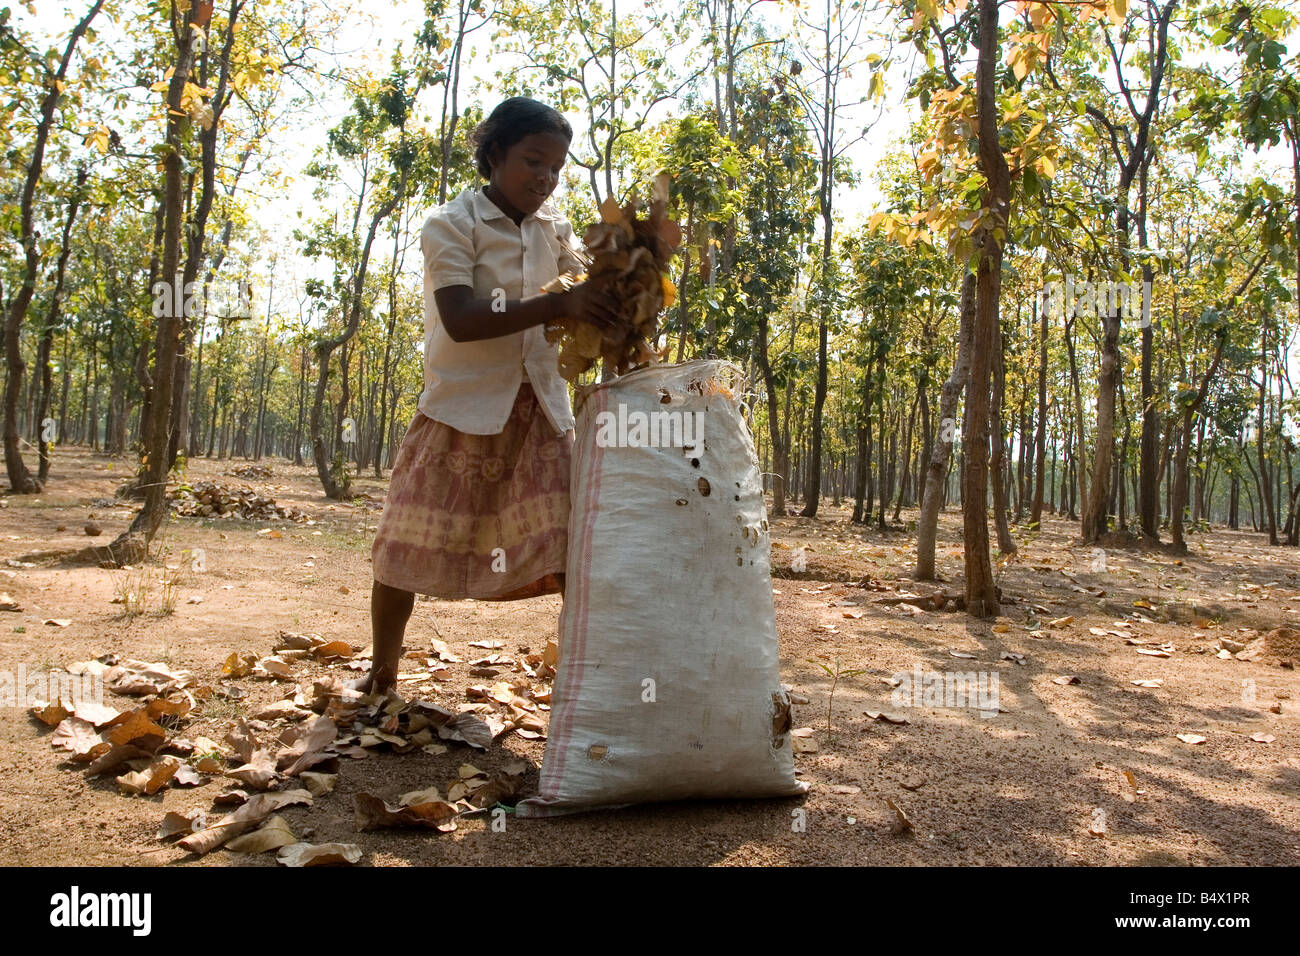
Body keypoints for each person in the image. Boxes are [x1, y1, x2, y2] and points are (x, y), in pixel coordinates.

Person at [357, 96, 620, 694]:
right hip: (463, 408)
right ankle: (382, 672)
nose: (545, 178)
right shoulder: (451, 224)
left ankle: (584, 686)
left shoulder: (556, 230)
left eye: (555, 168)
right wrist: (558, 303)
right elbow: (462, 318)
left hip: (543, 411)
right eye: (533, 160)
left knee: (572, 553)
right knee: (405, 546)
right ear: (495, 153)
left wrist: (618, 297)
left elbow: (581, 296)